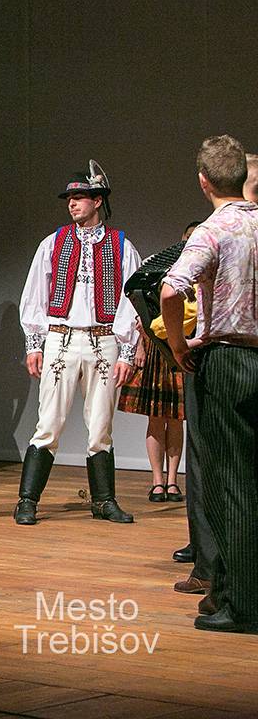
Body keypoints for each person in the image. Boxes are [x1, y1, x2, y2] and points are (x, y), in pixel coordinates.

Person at [161, 134, 258, 634]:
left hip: (228, 360)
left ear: (204, 182)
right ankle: (227, 591)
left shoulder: (213, 230)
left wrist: (179, 346)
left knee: (229, 485)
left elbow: (170, 289)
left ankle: (241, 605)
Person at [16, 165, 140, 525]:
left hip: (104, 340)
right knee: (48, 423)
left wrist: (127, 350)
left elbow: (130, 300)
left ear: (97, 201)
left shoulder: (121, 245)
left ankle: (103, 501)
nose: (72, 204)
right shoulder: (53, 242)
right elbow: (35, 293)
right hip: (61, 338)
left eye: (79, 197)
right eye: (69, 198)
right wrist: (34, 344)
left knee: (101, 426)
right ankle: (27, 500)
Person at [119, 223, 199, 503]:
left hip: (183, 347)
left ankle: (173, 480)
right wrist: (140, 346)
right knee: (156, 418)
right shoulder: (161, 266)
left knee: (176, 420)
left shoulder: (204, 270)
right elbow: (142, 311)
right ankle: (156, 480)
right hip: (158, 348)